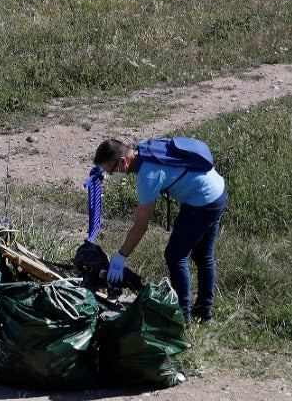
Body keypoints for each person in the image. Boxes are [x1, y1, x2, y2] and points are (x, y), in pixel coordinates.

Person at [93, 137, 227, 323]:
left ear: (123, 162)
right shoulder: (144, 148)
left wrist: (121, 257)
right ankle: (205, 313)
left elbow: (140, 226)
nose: (111, 176)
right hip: (217, 189)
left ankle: (183, 317)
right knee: (202, 255)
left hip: (203, 202)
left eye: (111, 171)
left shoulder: (148, 176)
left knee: (175, 256)